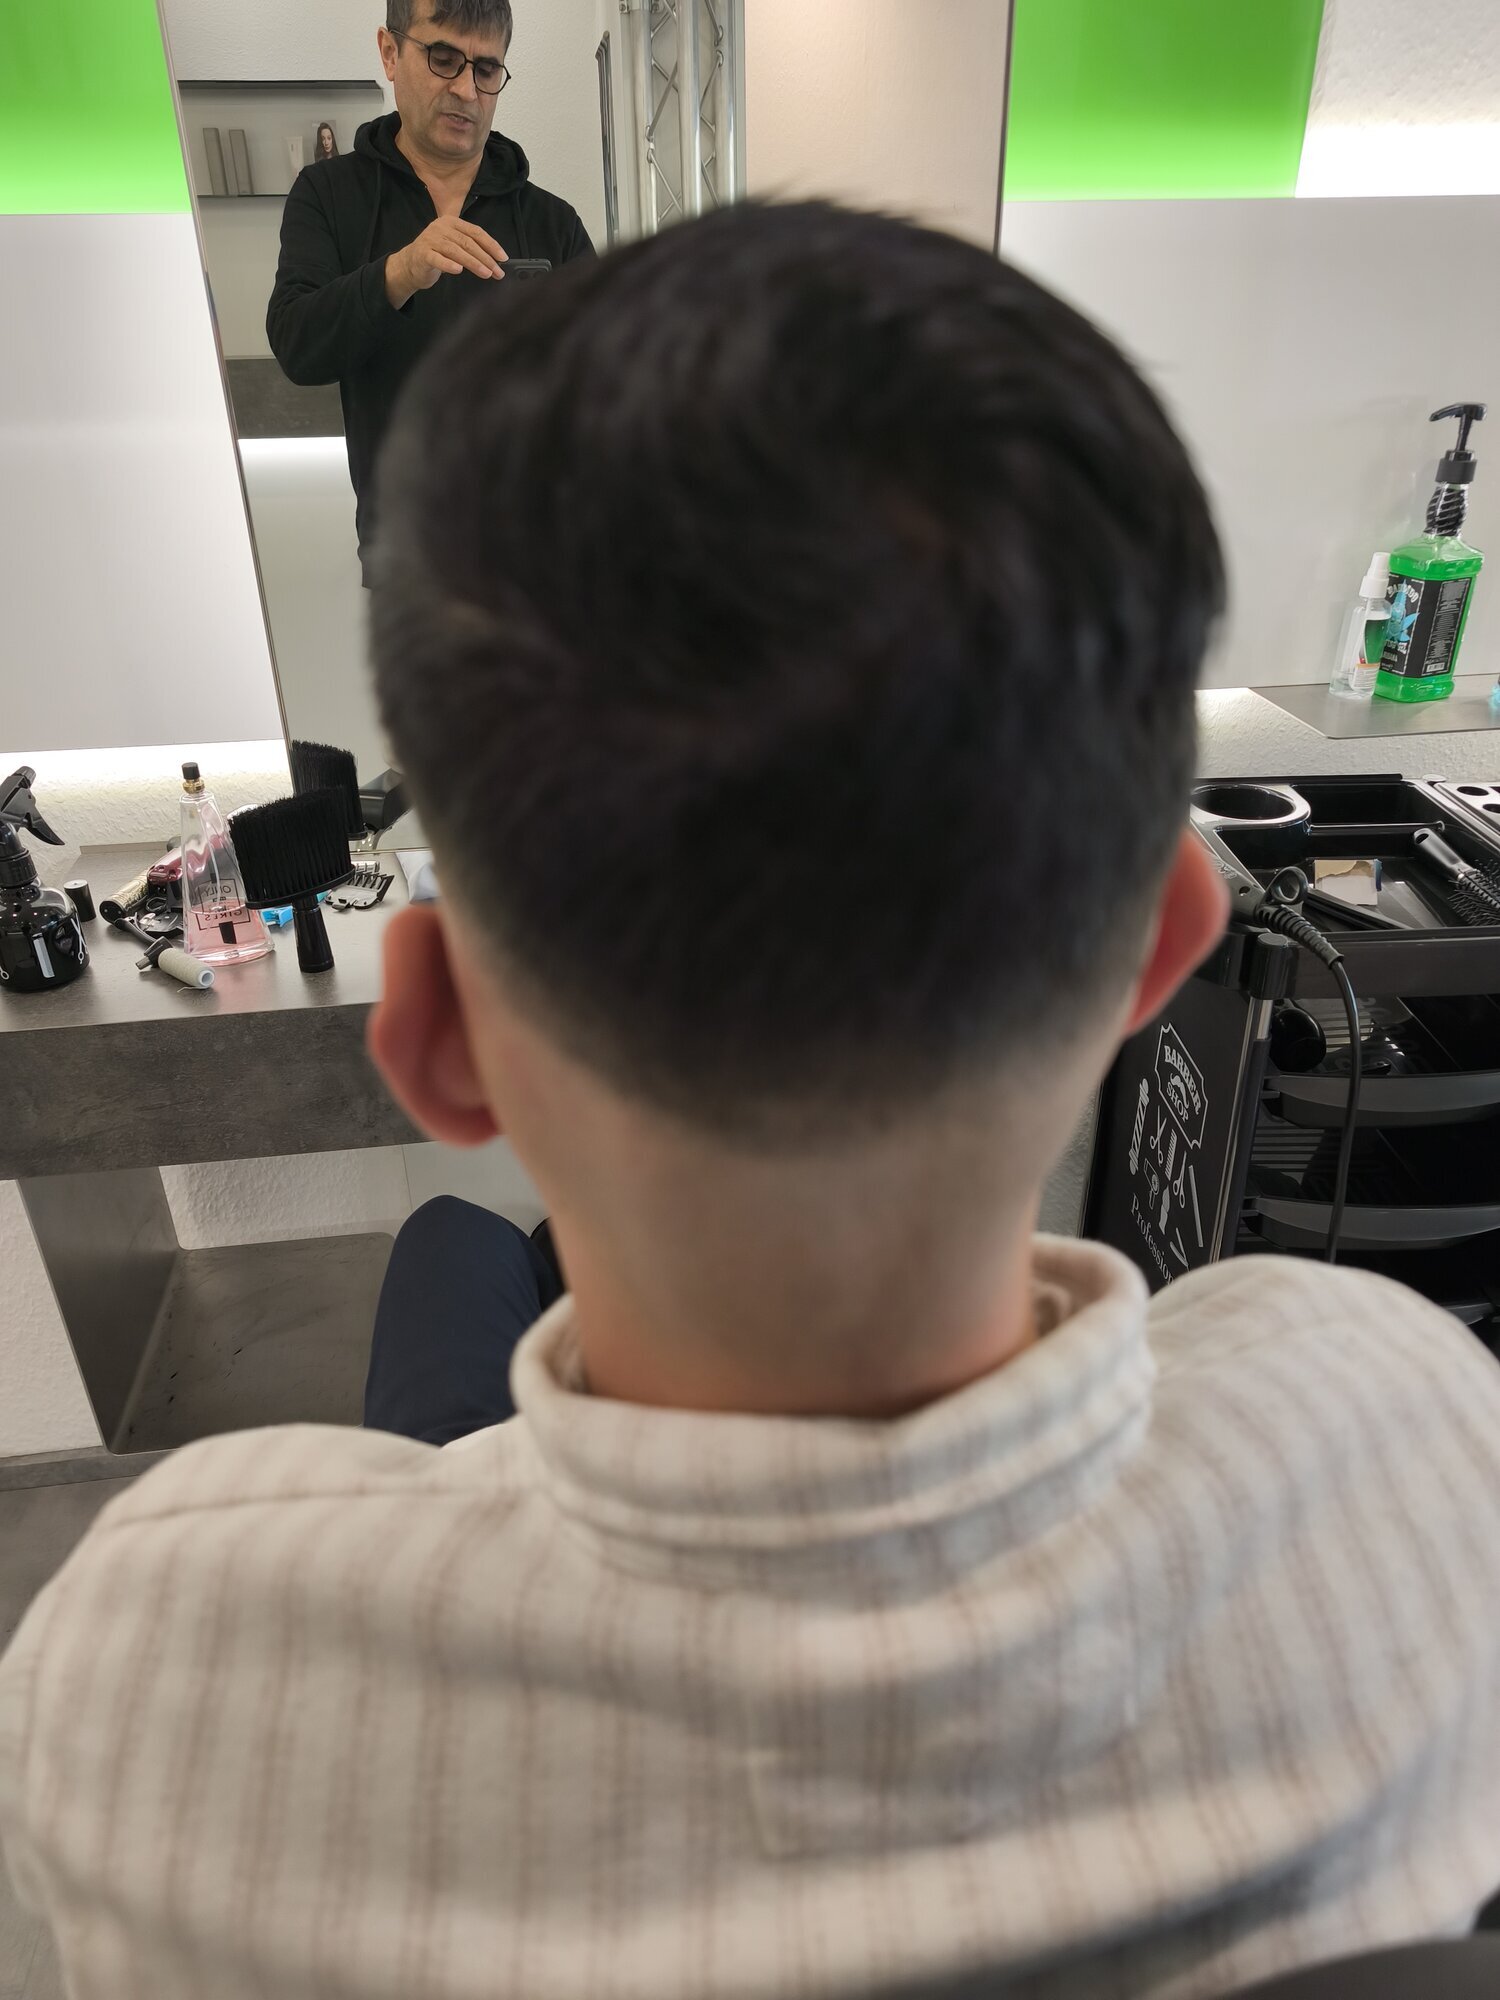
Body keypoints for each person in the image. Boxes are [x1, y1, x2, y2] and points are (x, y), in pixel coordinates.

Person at [5, 203, 1500, 2000]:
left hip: (470, 1475)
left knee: (455, 1256)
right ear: (1158, 951)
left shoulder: (156, 1679)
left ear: (439, 1038)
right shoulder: (1412, 1443)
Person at [267, 0, 592, 575]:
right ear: (390, 53)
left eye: (486, 69)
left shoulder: (553, 222)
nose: (467, 90)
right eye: (443, 58)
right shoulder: (328, 194)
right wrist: (401, 272)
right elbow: (298, 344)